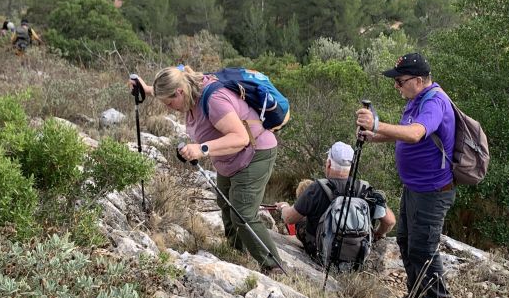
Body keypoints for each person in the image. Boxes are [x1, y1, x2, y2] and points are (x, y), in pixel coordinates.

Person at [136, 66, 284, 274]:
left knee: (242, 212)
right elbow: (166, 87)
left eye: (170, 103)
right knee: (225, 202)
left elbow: (240, 138)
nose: (170, 108)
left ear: (180, 92)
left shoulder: (215, 101)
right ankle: (237, 253)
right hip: (229, 158)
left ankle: (273, 266)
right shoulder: (186, 87)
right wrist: (145, 88)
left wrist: (201, 148)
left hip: (255, 153)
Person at [356, 52, 455, 298]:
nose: (396, 86)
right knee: (406, 241)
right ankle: (416, 297)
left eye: (400, 81)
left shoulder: (434, 103)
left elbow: (414, 133)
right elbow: (402, 133)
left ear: (419, 80)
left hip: (432, 191)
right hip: (414, 187)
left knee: (424, 249)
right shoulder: (416, 100)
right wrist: (374, 136)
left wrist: (376, 124)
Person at [275, 141, 395, 261]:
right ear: (351, 167)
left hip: (319, 252)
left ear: (329, 164)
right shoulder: (365, 189)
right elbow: (389, 222)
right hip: (357, 254)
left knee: (302, 220)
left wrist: (284, 207)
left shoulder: (317, 188)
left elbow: (289, 218)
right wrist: (376, 234)